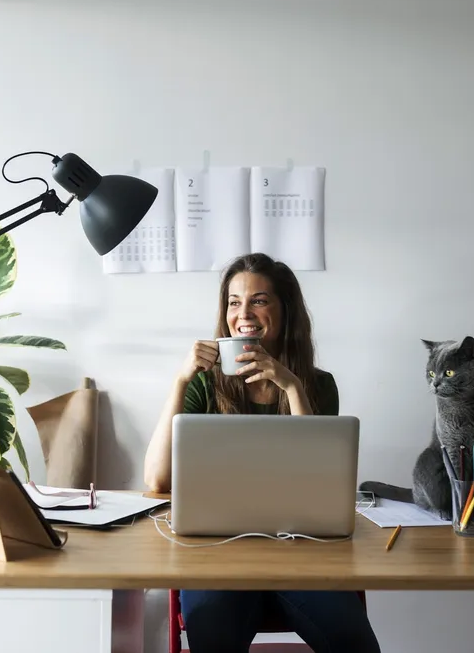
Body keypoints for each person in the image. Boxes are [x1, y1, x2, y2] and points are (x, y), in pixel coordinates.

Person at [144, 252, 381, 653]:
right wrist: (180, 382)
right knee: (213, 633)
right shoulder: (205, 384)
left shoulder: (317, 386)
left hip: (300, 556)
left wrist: (292, 387)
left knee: (354, 642)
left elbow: (319, 481)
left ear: (284, 310)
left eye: (259, 300)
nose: (244, 313)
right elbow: (157, 480)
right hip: (218, 556)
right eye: (234, 301)